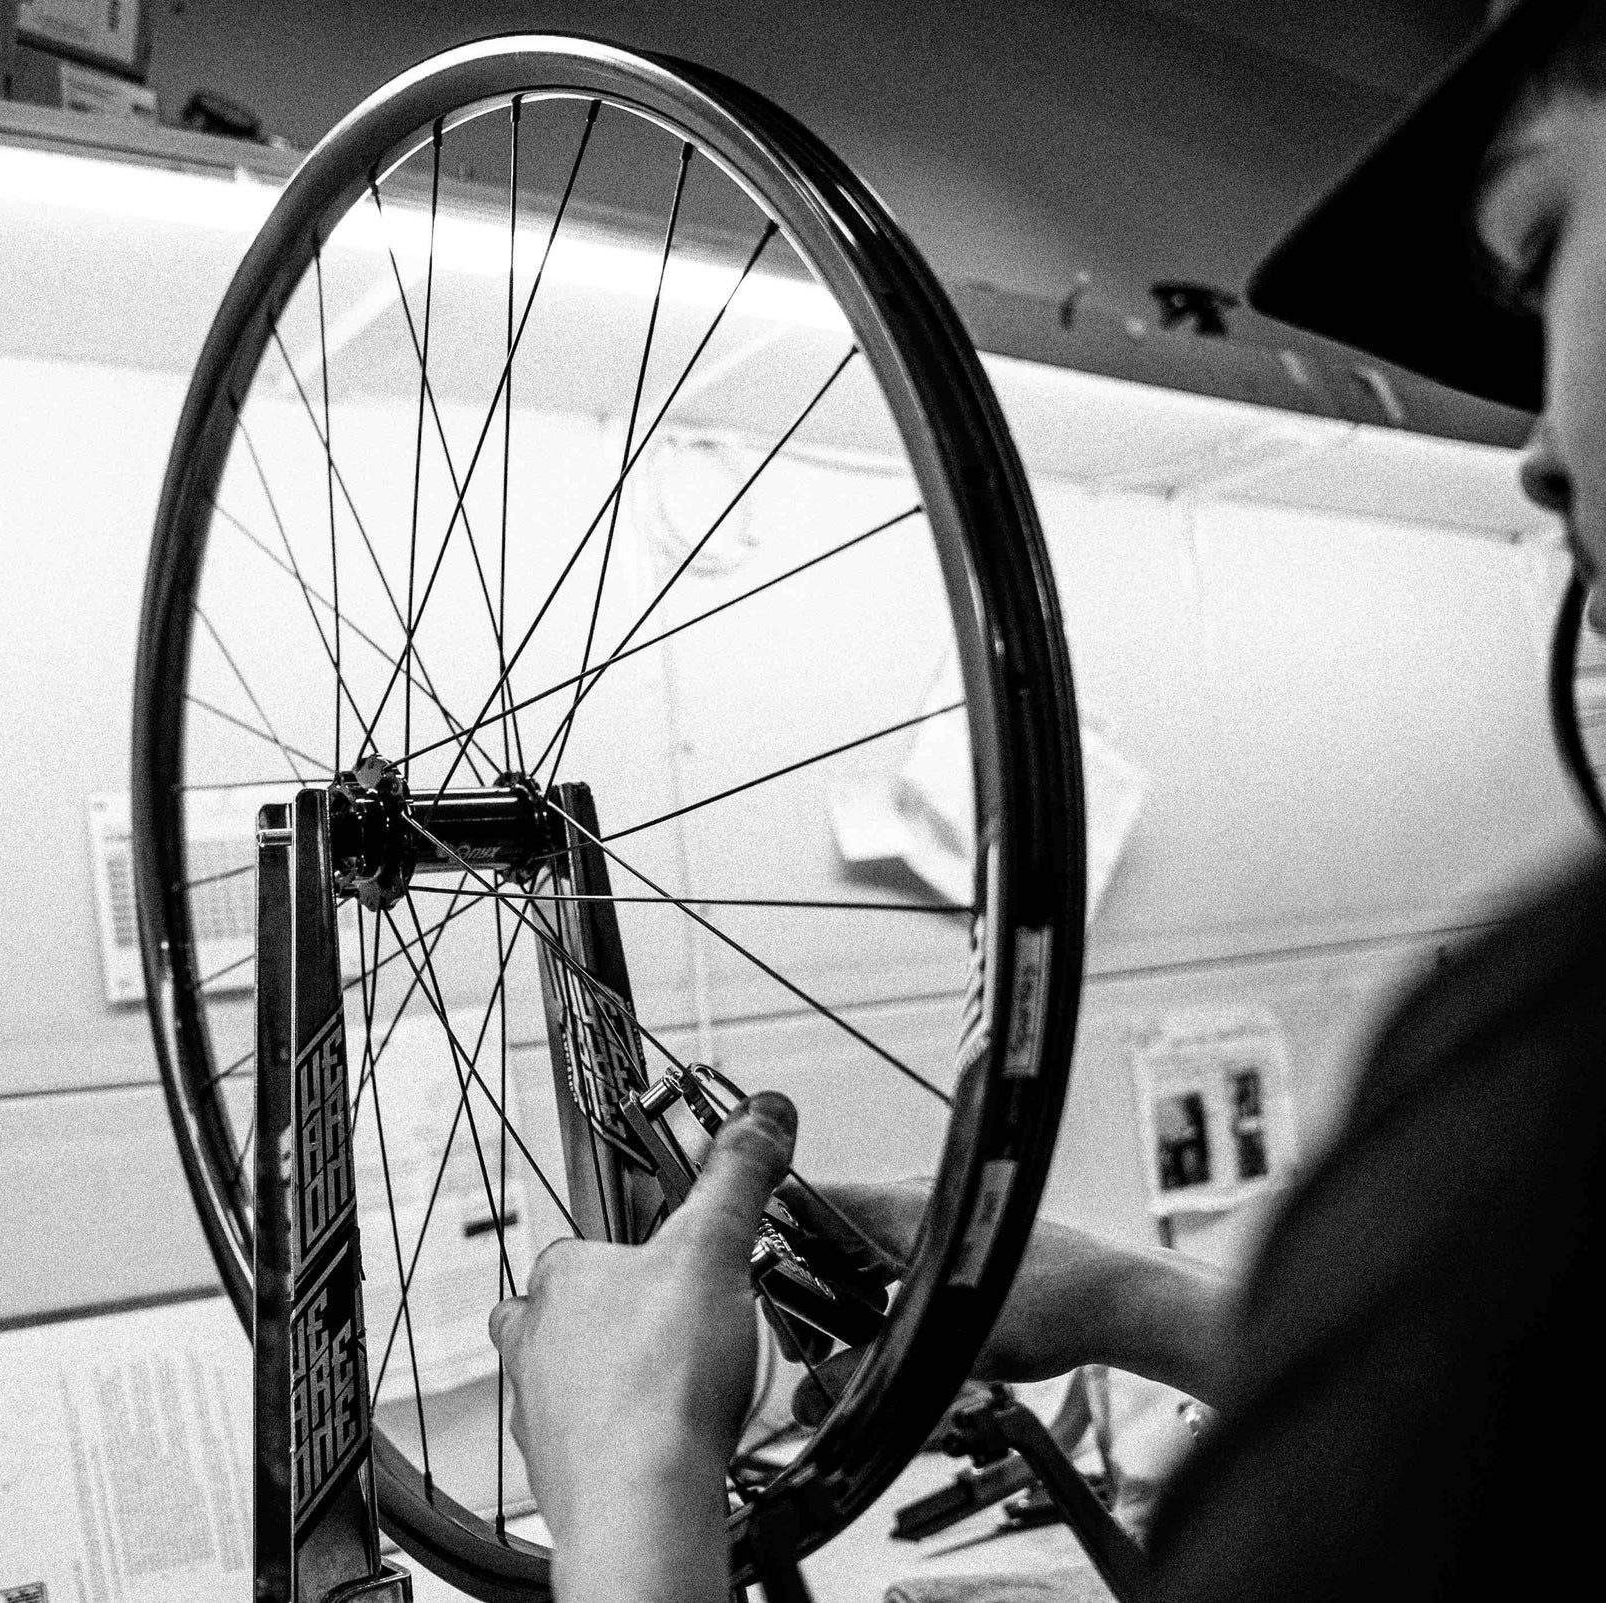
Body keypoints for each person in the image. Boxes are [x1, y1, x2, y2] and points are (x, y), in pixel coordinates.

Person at [486, 4, 1606, 1600]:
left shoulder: (1555, 1056)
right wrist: (1121, 1306)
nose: (1537, 458)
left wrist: (628, 1492)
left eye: (1543, 238)